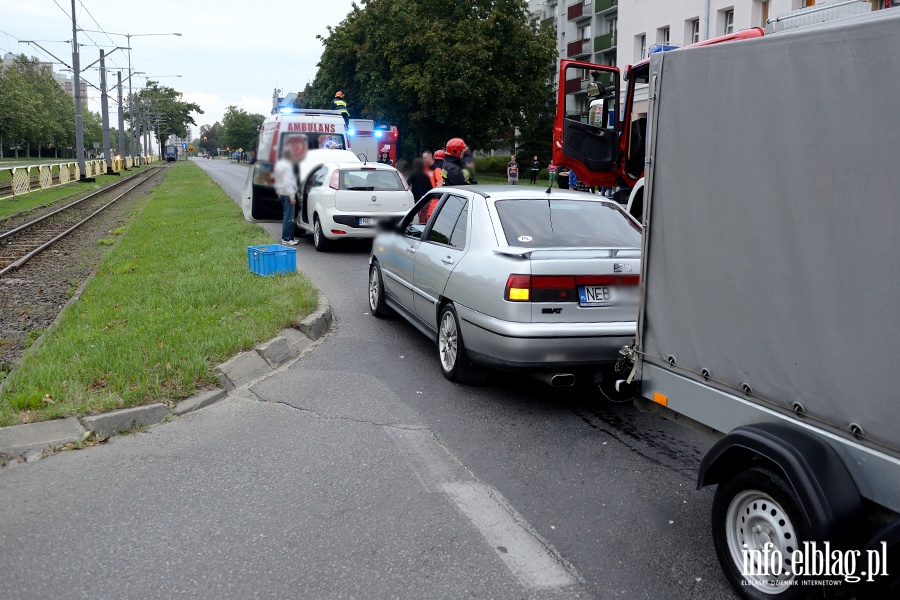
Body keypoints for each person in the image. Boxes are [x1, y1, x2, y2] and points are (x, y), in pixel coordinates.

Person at [273, 147, 299, 245]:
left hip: (281, 192)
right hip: (288, 193)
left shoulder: (279, 164)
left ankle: (290, 237)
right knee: (289, 217)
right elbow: (288, 181)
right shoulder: (287, 166)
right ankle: (287, 239)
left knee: (287, 216)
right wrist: (292, 195)